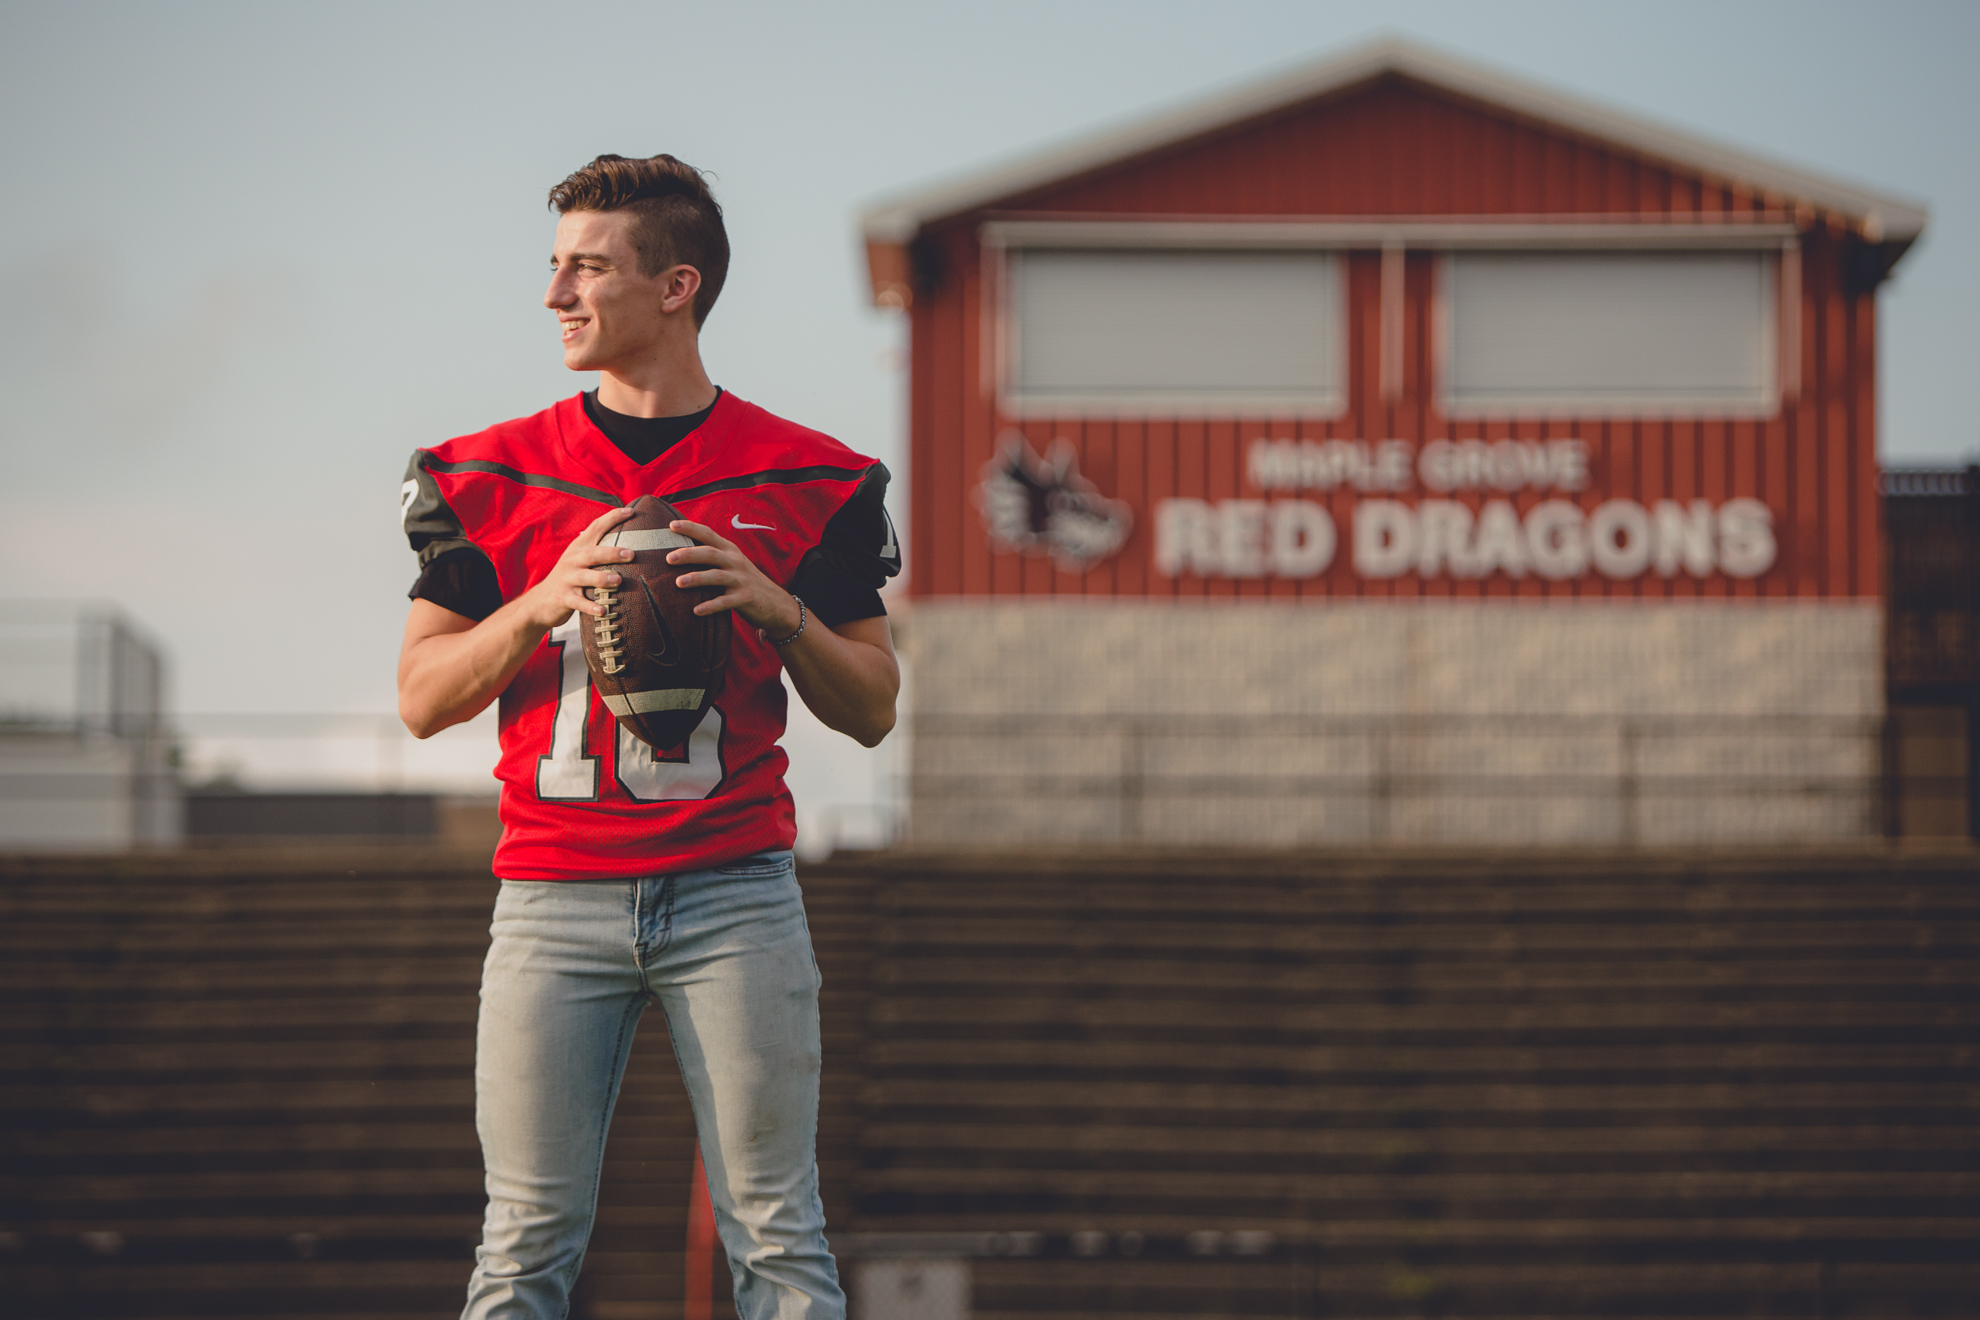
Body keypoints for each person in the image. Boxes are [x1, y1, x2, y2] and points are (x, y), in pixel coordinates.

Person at [395, 152, 898, 1320]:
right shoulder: (487, 472)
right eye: (555, 266)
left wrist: (781, 609)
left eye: (587, 268)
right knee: (521, 1246)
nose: (556, 295)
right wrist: (535, 602)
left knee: (779, 1236)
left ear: (676, 286)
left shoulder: (810, 475)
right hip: (551, 894)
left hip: (734, 890)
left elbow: (872, 707)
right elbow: (423, 699)